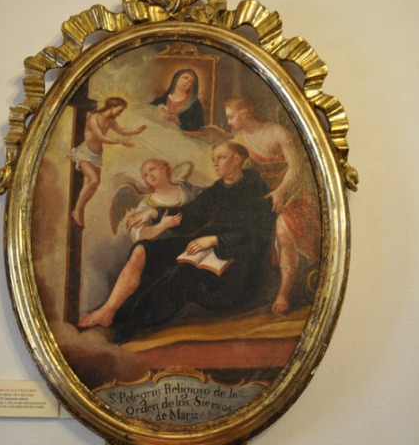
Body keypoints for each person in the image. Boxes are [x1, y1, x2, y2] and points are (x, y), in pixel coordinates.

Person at [79, 142, 275, 341]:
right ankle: (109, 309)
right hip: (207, 248)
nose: (215, 163)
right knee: (144, 249)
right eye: (213, 159)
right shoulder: (217, 190)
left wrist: (216, 240)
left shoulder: (257, 189)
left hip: (237, 269)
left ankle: (127, 324)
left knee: (183, 274)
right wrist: (155, 213)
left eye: (221, 158)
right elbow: (190, 216)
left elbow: (259, 232)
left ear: (237, 159)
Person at [224, 96, 321, 314]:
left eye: (231, 117)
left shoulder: (277, 133)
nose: (229, 122)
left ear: (245, 114)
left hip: (296, 191)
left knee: (284, 230)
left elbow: (296, 169)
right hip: (268, 195)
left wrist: (281, 192)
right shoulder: (240, 140)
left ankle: (283, 293)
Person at [79, 158, 202, 328]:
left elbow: (209, 205)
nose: (149, 175)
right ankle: (107, 310)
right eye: (145, 175)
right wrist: (162, 226)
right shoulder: (146, 203)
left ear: (164, 168)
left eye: (152, 169)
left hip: (195, 247)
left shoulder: (187, 189)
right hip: (164, 256)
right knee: (140, 250)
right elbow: (140, 235)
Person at [68, 97, 147, 227]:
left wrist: (137, 131)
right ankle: (76, 211)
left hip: (97, 156)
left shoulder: (110, 121)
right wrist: (121, 141)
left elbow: (122, 131)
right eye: (119, 110)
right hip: (85, 153)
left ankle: (81, 208)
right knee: (93, 180)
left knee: (95, 184)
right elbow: (101, 137)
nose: (119, 114)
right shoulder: (94, 118)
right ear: (112, 107)